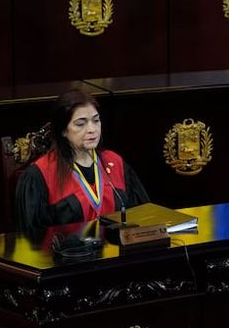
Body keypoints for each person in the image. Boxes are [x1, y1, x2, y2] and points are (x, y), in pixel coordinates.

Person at [15, 89, 148, 232]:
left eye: (96, 121)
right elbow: (31, 240)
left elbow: (143, 219)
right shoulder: (40, 175)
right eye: (80, 124)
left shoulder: (115, 163)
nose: (92, 129)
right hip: (68, 254)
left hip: (116, 251)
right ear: (63, 130)